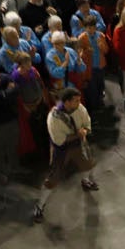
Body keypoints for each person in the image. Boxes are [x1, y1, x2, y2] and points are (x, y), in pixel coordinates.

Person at [34, 87, 98, 224]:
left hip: (78, 144)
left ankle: (85, 181)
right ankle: (39, 206)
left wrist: (85, 131)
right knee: (53, 179)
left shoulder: (79, 108)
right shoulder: (54, 118)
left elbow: (87, 122)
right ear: (67, 102)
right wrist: (78, 134)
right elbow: (59, 141)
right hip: (62, 151)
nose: (79, 103)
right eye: (76, 100)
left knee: (87, 164)